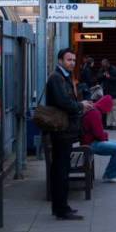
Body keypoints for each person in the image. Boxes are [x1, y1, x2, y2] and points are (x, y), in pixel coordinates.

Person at [46, 48, 92, 220]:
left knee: (62, 169)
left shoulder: (63, 77)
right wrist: (80, 105)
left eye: (73, 60)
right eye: (68, 60)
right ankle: (61, 209)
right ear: (60, 61)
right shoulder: (56, 78)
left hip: (64, 130)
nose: (72, 63)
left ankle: (60, 206)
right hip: (61, 131)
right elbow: (63, 102)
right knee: (61, 170)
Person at [81, 94, 116, 182]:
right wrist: (105, 136)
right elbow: (99, 134)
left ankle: (110, 174)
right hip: (91, 144)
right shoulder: (95, 113)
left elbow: (98, 133)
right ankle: (110, 175)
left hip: (89, 141)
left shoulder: (94, 110)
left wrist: (104, 136)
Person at [100, 59, 116, 130]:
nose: (104, 68)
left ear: (108, 64)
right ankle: (109, 124)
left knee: (115, 109)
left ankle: (114, 124)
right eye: (103, 66)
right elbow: (99, 77)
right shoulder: (103, 70)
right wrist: (103, 75)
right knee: (109, 109)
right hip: (107, 93)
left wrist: (109, 77)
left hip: (115, 92)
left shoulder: (114, 70)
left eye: (105, 66)